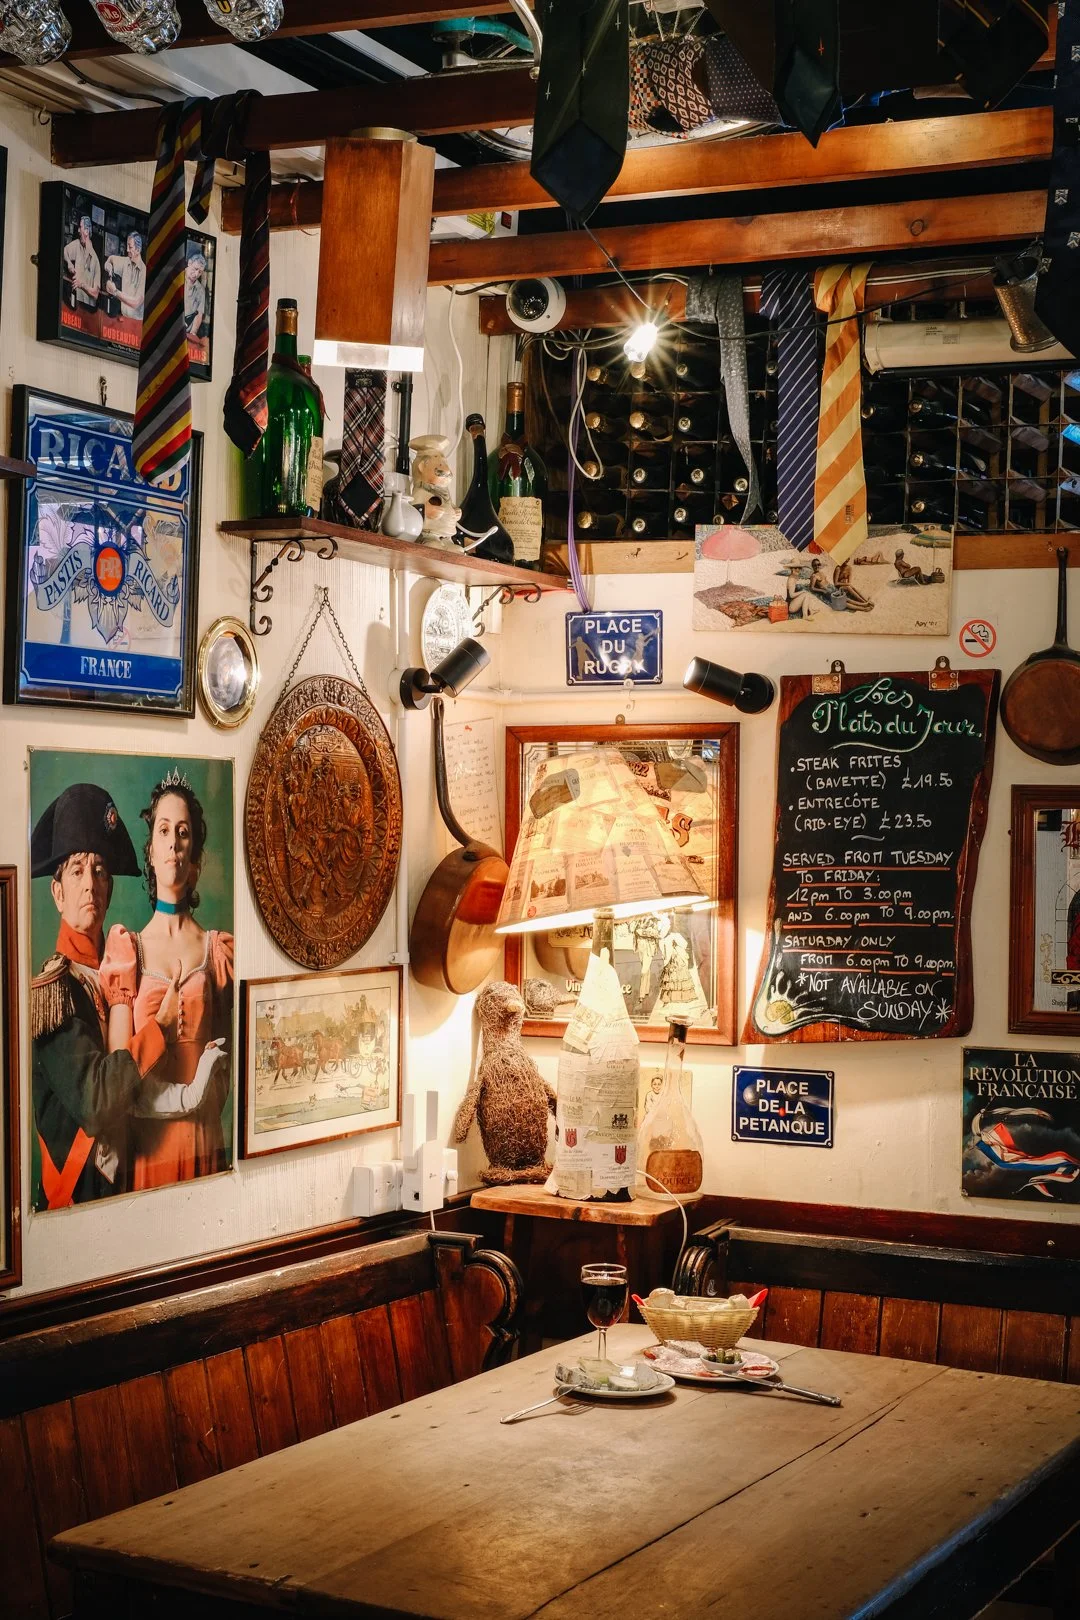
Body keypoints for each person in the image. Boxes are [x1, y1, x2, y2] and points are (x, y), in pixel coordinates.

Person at [29, 784, 174, 1208]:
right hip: (75, 1205)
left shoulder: (115, 972)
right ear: (57, 894)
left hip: (125, 1192)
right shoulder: (52, 992)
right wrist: (159, 1031)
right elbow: (95, 1102)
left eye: (98, 872)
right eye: (76, 871)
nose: (89, 883)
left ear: (109, 890)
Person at [101, 771, 233, 1189]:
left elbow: (227, 1068)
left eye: (183, 832)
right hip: (149, 1150)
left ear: (194, 858)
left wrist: (203, 1109)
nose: (173, 841)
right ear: (152, 852)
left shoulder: (218, 950)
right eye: (163, 831)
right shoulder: (129, 950)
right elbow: (118, 1073)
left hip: (204, 1142)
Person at [103, 230, 145, 321]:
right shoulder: (126, 262)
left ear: (138, 249)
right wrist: (108, 267)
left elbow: (136, 303)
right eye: (127, 246)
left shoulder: (144, 272)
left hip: (136, 324)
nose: (127, 250)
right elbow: (110, 259)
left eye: (130, 247)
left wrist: (115, 291)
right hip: (123, 319)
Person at [63, 214, 101, 311]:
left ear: (87, 231)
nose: (78, 230)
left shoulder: (96, 261)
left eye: (80, 227)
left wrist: (81, 285)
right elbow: (64, 251)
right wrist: (69, 263)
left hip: (88, 311)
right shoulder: (77, 245)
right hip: (75, 304)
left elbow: (96, 294)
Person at [184, 251, 207, 339]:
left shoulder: (201, 290)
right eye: (195, 269)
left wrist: (193, 334)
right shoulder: (177, 277)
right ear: (189, 263)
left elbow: (199, 314)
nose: (197, 274)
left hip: (188, 332)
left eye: (200, 272)